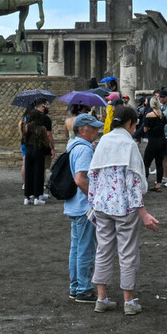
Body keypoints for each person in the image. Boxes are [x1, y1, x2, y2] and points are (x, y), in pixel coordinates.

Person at [88, 106, 160, 315]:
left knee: (103, 250)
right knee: (127, 252)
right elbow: (134, 182)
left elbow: (93, 174)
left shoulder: (103, 141)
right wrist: (143, 212)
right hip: (124, 206)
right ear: (130, 123)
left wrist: (92, 202)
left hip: (102, 205)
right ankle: (129, 302)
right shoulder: (129, 145)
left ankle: (102, 298)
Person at [64, 113, 103, 303]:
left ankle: (76, 286)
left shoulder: (72, 146)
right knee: (86, 249)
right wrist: (95, 199)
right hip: (83, 206)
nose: (96, 131)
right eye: (93, 128)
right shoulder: (85, 149)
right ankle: (84, 288)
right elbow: (80, 179)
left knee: (77, 247)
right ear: (82, 130)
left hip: (74, 204)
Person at [22, 100, 53, 205]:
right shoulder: (42, 128)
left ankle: (27, 197)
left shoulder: (27, 126)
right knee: (38, 173)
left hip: (29, 150)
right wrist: (50, 149)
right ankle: (37, 197)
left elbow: (24, 137)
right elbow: (46, 141)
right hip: (38, 150)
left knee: (28, 173)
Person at [142, 97, 167, 193]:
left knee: (146, 163)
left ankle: (144, 182)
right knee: (159, 163)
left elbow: (145, 129)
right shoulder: (162, 115)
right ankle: (158, 184)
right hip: (162, 141)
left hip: (153, 141)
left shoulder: (149, 115)